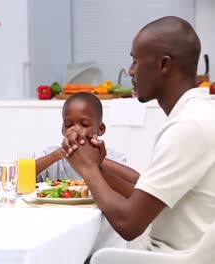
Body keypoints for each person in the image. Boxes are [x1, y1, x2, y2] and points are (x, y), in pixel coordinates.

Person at [63, 16, 215, 255]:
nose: (131, 71)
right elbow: (143, 195)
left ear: (164, 65)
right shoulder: (197, 113)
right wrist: (97, 165)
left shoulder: (189, 126)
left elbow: (129, 223)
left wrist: (87, 169)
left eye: (135, 61)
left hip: (167, 258)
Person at [35, 92, 126, 183]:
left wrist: (95, 159)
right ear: (63, 130)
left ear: (100, 129)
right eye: (68, 125)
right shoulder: (51, 155)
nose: (76, 130)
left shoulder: (114, 157)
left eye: (85, 124)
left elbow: (130, 186)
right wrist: (58, 154)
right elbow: (22, 177)